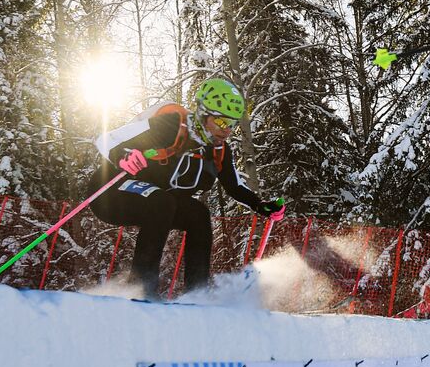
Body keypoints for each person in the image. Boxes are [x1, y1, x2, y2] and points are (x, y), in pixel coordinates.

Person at [90, 77, 286, 300]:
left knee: (198, 214)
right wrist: (122, 155)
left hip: (156, 200)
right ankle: (140, 288)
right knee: (162, 201)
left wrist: (260, 205)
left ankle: (197, 294)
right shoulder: (170, 125)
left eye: (232, 124)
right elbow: (105, 139)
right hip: (111, 192)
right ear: (203, 114)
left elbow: (234, 186)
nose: (227, 130)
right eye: (222, 122)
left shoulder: (219, 150)